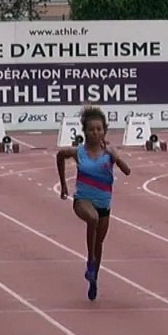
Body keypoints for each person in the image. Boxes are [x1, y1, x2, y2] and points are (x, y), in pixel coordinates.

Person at [56, 106, 131, 301]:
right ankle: (90, 260)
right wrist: (64, 184)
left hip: (104, 203)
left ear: (104, 131)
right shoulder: (78, 152)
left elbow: (128, 171)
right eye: (91, 129)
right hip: (82, 200)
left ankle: (93, 278)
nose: (95, 133)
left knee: (100, 242)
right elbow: (59, 156)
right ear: (85, 132)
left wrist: (117, 158)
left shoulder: (109, 153)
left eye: (99, 129)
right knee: (92, 218)